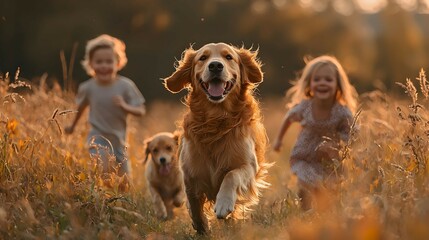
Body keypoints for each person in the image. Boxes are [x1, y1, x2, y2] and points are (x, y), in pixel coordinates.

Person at [273, 55, 358, 210]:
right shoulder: (305, 106)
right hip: (304, 155)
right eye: (317, 79)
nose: (322, 83)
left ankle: (323, 211)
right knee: (306, 181)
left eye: (328, 79)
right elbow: (289, 118)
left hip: (330, 160)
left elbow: (353, 133)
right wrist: (279, 140)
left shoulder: (342, 111)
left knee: (329, 189)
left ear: (338, 84)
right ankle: (305, 205)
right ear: (309, 84)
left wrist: (338, 144)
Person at [65, 34, 146, 183]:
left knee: (125, 182)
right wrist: (72, 126)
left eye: (109, 61)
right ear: (90, 64)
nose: (104, 66)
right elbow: (81, 108)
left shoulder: (125, 86)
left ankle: (120, 202)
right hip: (97, 138)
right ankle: (100, 199)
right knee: (103, 167)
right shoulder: (87, 88)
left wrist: (125, 106)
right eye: (99, 62)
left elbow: (141, 110)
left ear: (118, 63)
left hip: (119, 141)